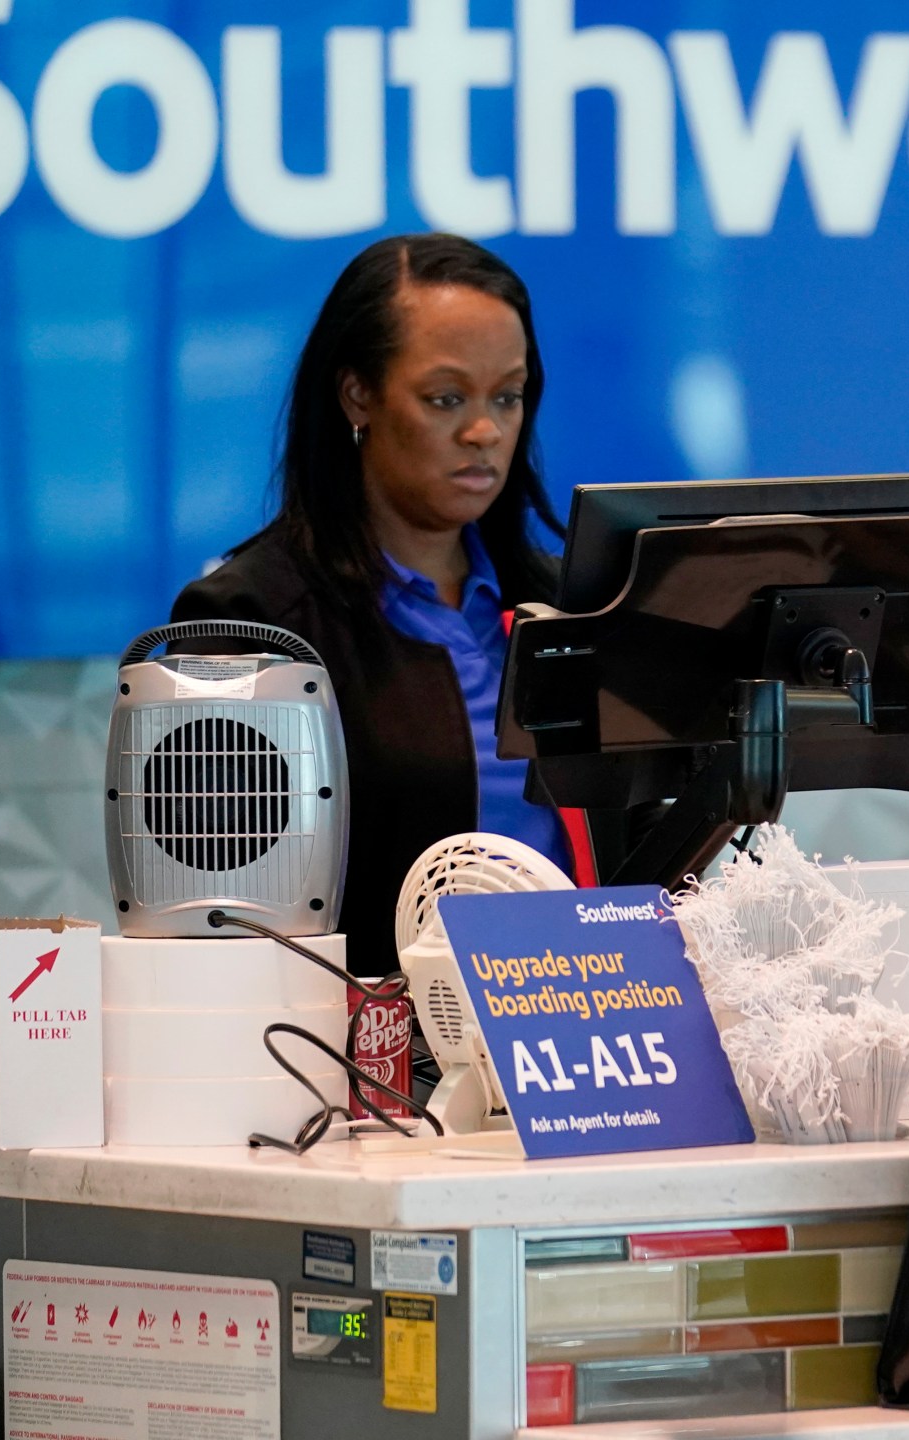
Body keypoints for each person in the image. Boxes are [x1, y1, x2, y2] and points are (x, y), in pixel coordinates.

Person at [171, 234, 587, 978]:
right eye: (446, 398)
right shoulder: (252, 622)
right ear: (358, 394)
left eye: (508, 396)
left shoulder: (572, 605)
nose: (484, 431)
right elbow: (219, 914)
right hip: (360, 1060)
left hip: (584, 1028)